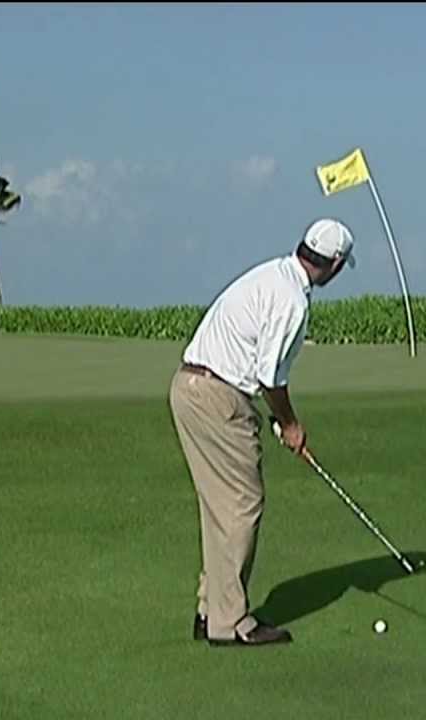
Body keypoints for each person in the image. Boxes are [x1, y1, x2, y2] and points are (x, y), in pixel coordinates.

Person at [169, 217, 355, 647]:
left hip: (192, 387)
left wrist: (273, 417)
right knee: (241, 505)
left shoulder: (273, 274)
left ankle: (209, 611)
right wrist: (290, 424)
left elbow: (255, 365)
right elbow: (271, 376)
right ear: (335, 264)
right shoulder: (292, 300)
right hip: (216, 397)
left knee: (221, 507)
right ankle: (229, 623)